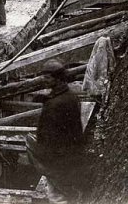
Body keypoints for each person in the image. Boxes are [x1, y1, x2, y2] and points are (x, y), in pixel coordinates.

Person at [25, 60, 85, 203]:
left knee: (57, 193)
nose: (44, 80)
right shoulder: (70, 96)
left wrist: (44, 156)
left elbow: (49, 134)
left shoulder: (55, 104)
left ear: (57, 79)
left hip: (58, 156)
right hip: (69, 153)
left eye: (47, 78)